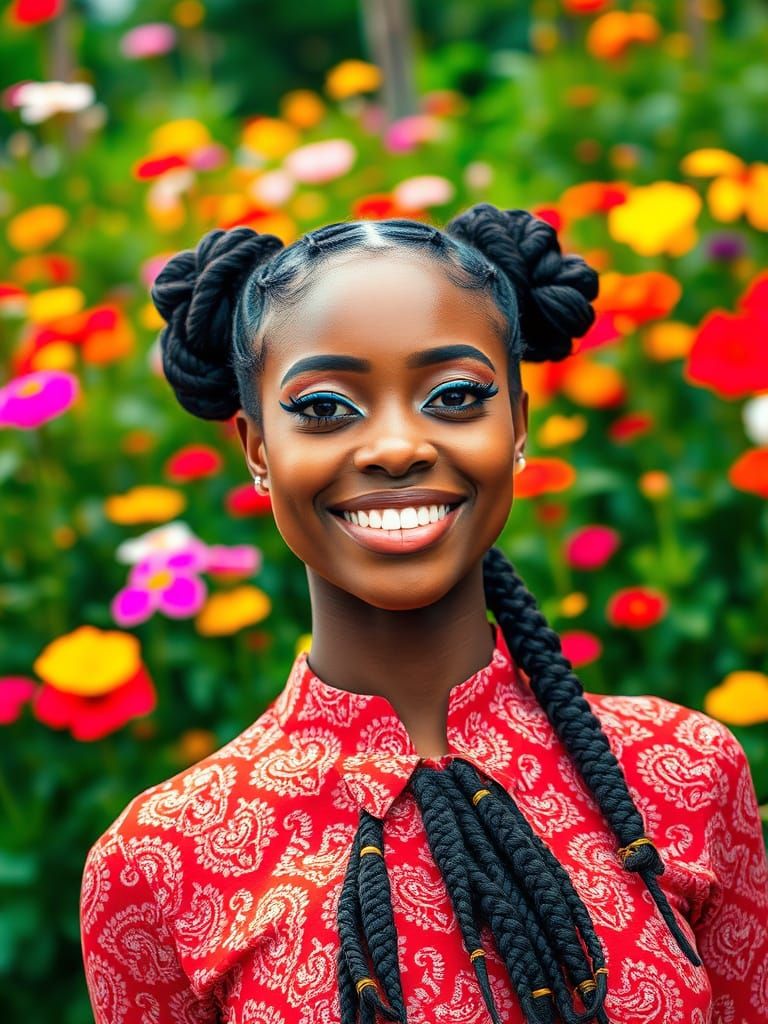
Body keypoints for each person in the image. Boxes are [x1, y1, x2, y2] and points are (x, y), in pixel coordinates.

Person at [80, 205, 768, 1024]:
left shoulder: (685, 772)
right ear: (257, 449)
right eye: (325, 407)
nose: (397, 446)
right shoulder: (158, 861)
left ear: (518, 425)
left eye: (454, 396)